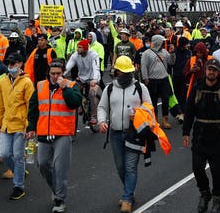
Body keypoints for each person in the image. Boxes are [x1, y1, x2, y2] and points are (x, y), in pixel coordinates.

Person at [183, 59, 220, 213]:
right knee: (197, 168)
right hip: (200, 135)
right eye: (209, 69)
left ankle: (218, 199)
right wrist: (186, 132)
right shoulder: (197, 88)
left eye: (214, 70)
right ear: (205, 70)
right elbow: (189, 111)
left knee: (217, 171)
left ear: (218, 72)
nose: (211, 72)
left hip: (218, 137)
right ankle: (205, 193)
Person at [98, 56, 151, 213]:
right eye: (123, 72)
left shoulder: (141, 88)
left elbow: (149, 108)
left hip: (134, 134)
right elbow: (102, 107)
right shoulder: (109, 89)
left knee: (130, 167)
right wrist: (102, 121)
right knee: (121, 167)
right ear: (116, 72)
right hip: (115, 134)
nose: (126, 75)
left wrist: (139, 114)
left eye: (129, 72)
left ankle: (127, 198)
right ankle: (130, 190)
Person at [27, 60, 82, 213]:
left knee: (60, 168)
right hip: (44, 132)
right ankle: (56, 189)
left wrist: (65, 89)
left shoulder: (70, 86)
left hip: (62, 133)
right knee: (42, 164)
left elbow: (75, 103)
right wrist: (31, 128)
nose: (56, 76)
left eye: (58, 73)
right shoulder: (39, 86)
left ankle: (60, 199)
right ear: (48, 74)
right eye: (53, 74)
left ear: (63, 73)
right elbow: (33, 108)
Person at [0, 53, 34, 200]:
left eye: (13, 64)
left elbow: (31, 105)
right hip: (6, 124)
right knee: (4, 154)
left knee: (18, 156)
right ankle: (20, 171)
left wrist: (29, 126)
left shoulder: (26, 83)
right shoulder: (3, 82)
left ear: (20, 64)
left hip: (20, 125)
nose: (10, 67)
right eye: (9, 64)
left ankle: (18, 186)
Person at [141, 35, 175, 129]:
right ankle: (154, 119)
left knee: (165, 100)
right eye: (162, 41)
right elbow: (144, 66)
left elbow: (171, 62)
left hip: (164, 79)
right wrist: (145, 78)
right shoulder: (146, 53)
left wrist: (172, 53)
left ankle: (165, 120)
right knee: (153, 100)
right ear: (157, 42)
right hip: (152, 80)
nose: (163, 43)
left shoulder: (164, 52)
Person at [65, 39, 101, 128]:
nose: (77, 49)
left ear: (85, 49)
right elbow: (68, 67)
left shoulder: (93, 55)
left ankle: (94, 115)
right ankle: (80, 105)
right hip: (81, 78)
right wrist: (61, 75)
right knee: (73, 90)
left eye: (80, 47)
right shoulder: (75, 55)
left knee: (92, 94)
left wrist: (95, 79)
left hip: (93, 78)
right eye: (77, 47)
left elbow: (96, 67)